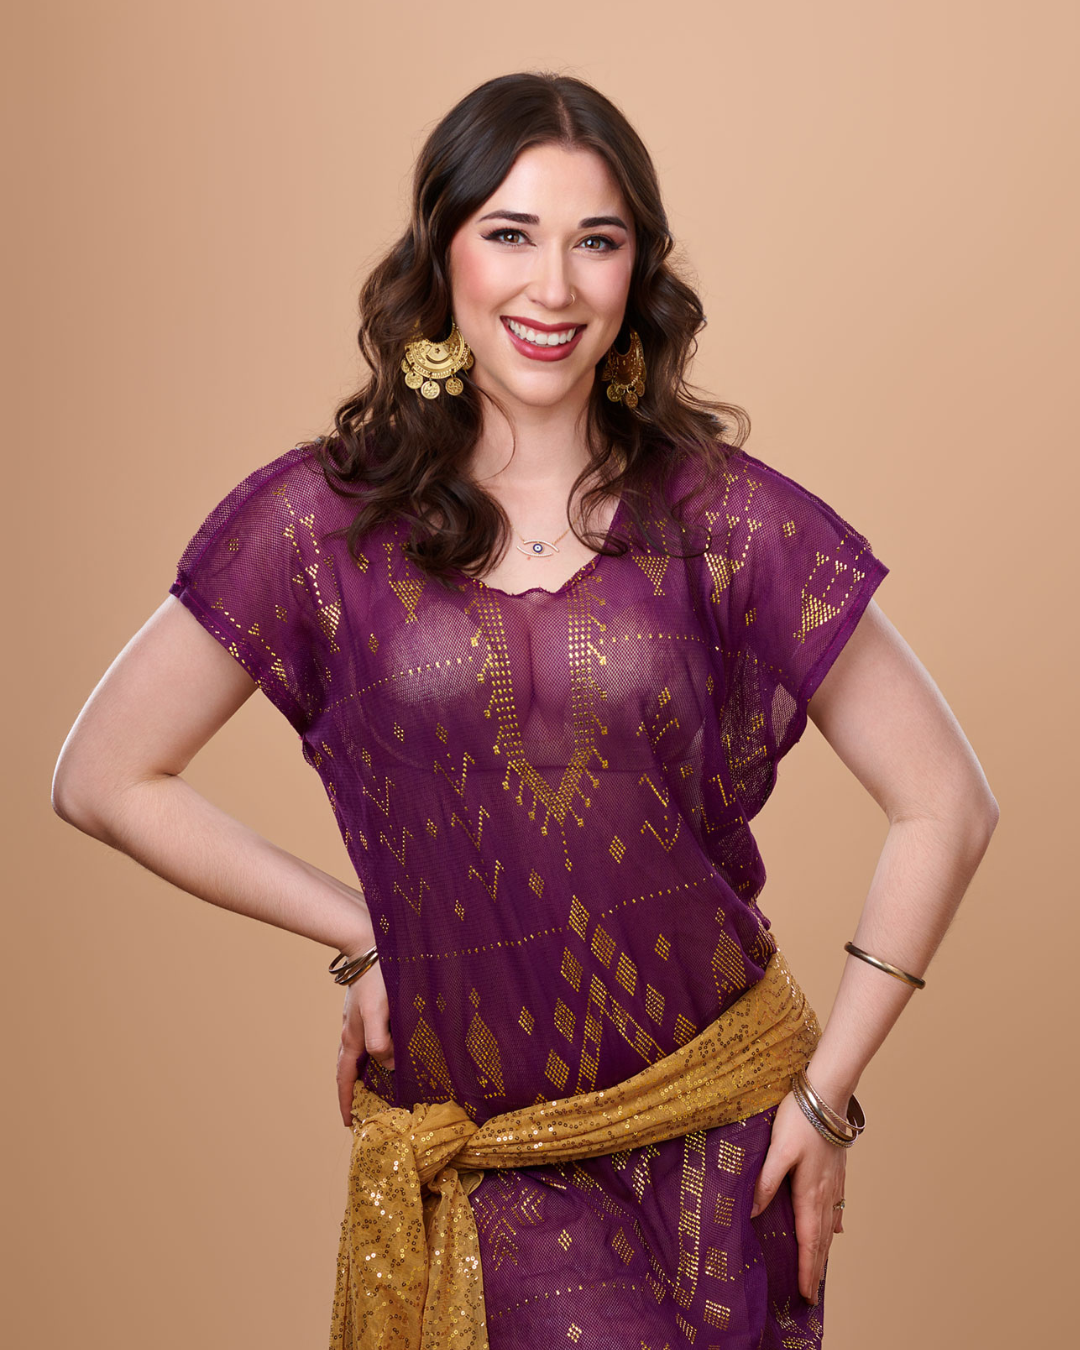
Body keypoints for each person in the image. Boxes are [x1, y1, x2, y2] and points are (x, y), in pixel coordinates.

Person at [51, 71, 998, 1350]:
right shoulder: (322, 526)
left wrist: (827, 1100)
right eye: (510, 234)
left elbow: (948, 802)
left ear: (636, 275)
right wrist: (365, 932)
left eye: (595, 242)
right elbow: (103, 775)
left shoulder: (724, 518)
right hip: (489, 1165)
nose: (553, 287)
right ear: (440, 256)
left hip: (723, 1141)